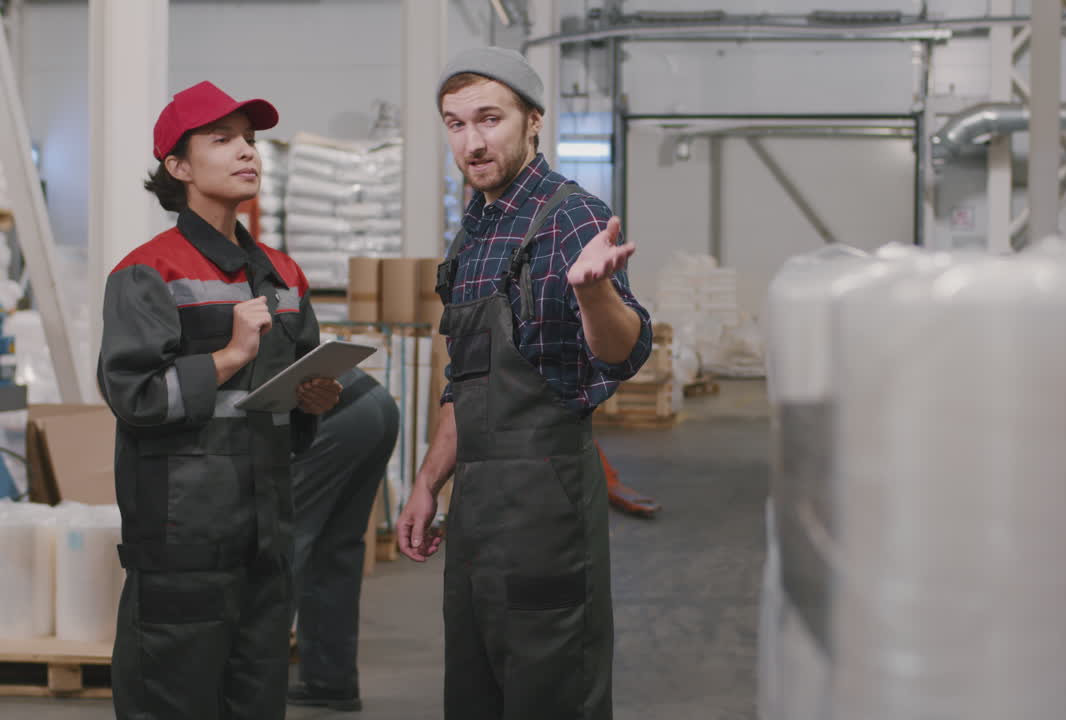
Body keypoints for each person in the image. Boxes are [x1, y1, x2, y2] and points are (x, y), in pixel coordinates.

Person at [397, 47, 653, 719]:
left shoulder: (570, 216)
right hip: (477, 500)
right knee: (476, 683)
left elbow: (623, 354)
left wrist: (596, 296)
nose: (473, 142)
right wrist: (428, 484)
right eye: (455, 124)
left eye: (490, 119)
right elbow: (466, 377)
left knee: (550, 687)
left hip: (546, 502)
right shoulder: (473, 234)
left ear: (533, 121)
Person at [98, 80, 342, 720]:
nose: (247, 153)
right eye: (222, 139)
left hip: (265, 538)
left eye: (251, 140)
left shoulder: (284, 276)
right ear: (178, 168)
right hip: (183, 544)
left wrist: (312, 402)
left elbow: (281, 407)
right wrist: (228, 357)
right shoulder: (149, 272)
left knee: (257, 702)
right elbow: (135, 398)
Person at [287, 367, 399, 712]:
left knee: (283, 547)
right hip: (375, 402)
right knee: (334, 550)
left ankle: (251, 684)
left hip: (338, 414)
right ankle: (330, 682)